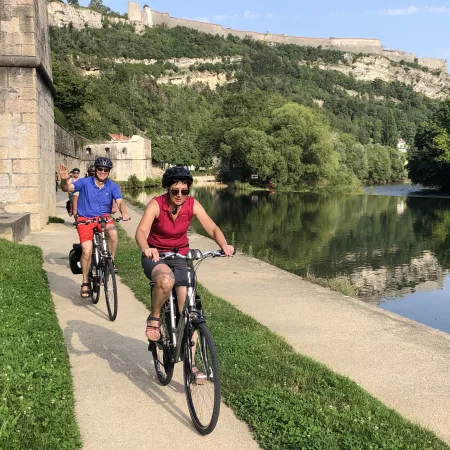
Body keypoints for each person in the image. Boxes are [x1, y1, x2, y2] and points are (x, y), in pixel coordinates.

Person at [135, 165, 234, 343]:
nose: (180, 195)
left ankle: (190, 358)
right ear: (167, 188)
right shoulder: (156, 204)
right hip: (156, 256)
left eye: (184, 191)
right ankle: (154, 317)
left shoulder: (192, 204)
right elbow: (141, 231)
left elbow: (212, 228)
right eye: (175, 191)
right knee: (166, 281)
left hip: (181, 256)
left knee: (188, 309)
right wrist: (146, 248)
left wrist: (224, 245)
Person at [59, 157, 130, 298]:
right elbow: (67, 188)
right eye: (100, 169)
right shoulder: (85, 182)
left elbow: (120, 201)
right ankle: (85, 281)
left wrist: (124, 213)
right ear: (96, 169)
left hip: (103, 218)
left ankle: (110, 262)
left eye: (106, 170)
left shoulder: (112, 186)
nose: (103, 172)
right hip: (85, 219)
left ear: (109, 172)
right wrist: (64, 179)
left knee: (113, 234)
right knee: (87, 251)